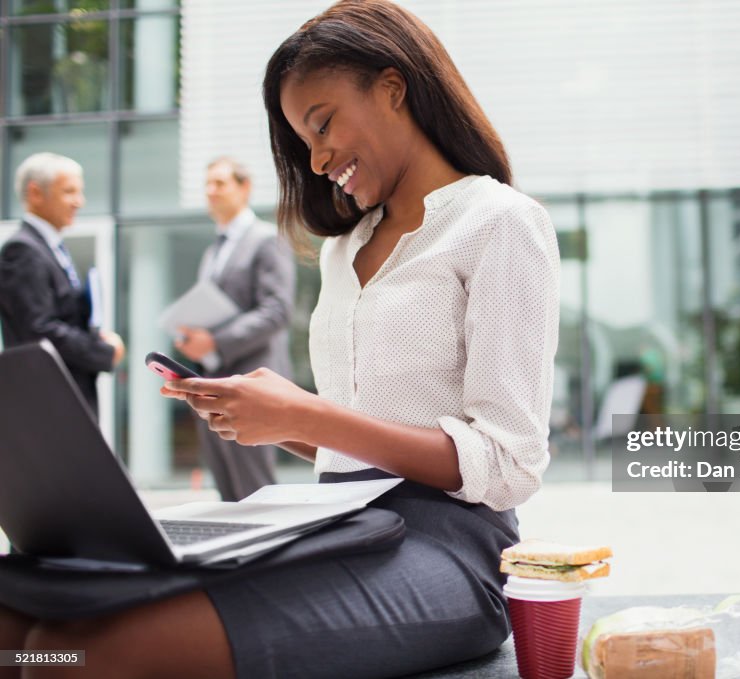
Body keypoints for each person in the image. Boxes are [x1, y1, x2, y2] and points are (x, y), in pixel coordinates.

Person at [0, 1, 559, 677]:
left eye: (321, 125)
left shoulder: (499, 223)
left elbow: (508, 462)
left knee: (78, 656)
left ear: (393, 86)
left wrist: (302, 413)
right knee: (19, 625)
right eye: (303, 141)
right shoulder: (343, 248)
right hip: (332, 520)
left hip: (448, 548)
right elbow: (359, 433)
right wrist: (266, 420)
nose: (317, 158)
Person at [175, 157, 296, 501]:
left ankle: (271, 555)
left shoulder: (266, 239)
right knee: (228, 490)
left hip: (251, 380)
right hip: (215, 382)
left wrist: (214, 341)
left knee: (255, 488)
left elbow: (277, 310)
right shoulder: (213, 251)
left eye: (220, 183)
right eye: (207, 184)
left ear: (245, 188)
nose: (210, 191)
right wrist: (193, 338)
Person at [0, 152, 124, 417]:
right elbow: (39, 330)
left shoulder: (51, 248)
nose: (79, 202)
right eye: (69, 192)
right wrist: (102, 351)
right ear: (35, 193)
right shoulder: (22, 251)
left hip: (62, 396)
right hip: (47, 402)